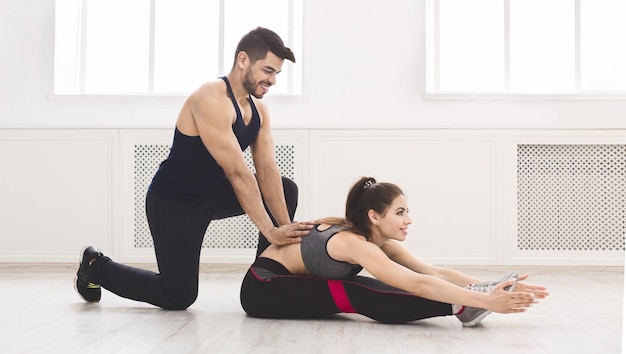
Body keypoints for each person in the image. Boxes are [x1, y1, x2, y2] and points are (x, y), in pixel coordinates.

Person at [74, 27, 313, 310]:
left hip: (210, 194)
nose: (272, 81)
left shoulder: (258, 111)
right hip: (173, 203)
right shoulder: (210, 99)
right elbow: (239, 174)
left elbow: (267, 170)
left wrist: (284, 229)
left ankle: (265, 282)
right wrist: (272, 232)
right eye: (268, 71)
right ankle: (95, 266)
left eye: (277, 74)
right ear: (243, 60)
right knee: (177, 297)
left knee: (286, 188)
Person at [240, 177, 549, 326]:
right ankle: (459, 307)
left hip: (283, 284)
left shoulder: (375, 241)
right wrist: (485, 301)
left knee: (375, 284)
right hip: (263, 286)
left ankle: (464, 303)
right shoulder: (352, 242)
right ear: (375, 216)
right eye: (400, 212)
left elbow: (431, 272)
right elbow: (414, 285)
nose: (408, 219)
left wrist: (490, 287)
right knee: (356, 289)